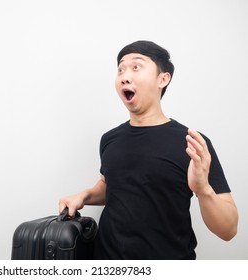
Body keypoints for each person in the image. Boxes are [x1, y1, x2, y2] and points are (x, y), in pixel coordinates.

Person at [58, 40, 238, 260]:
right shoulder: (110, 139)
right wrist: (84, 196)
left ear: (163, 79)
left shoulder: (192, 143)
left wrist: (202, 189)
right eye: (120, 69)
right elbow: (111, 185)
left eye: (136, 67)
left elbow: (228, 230)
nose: (124, 75)